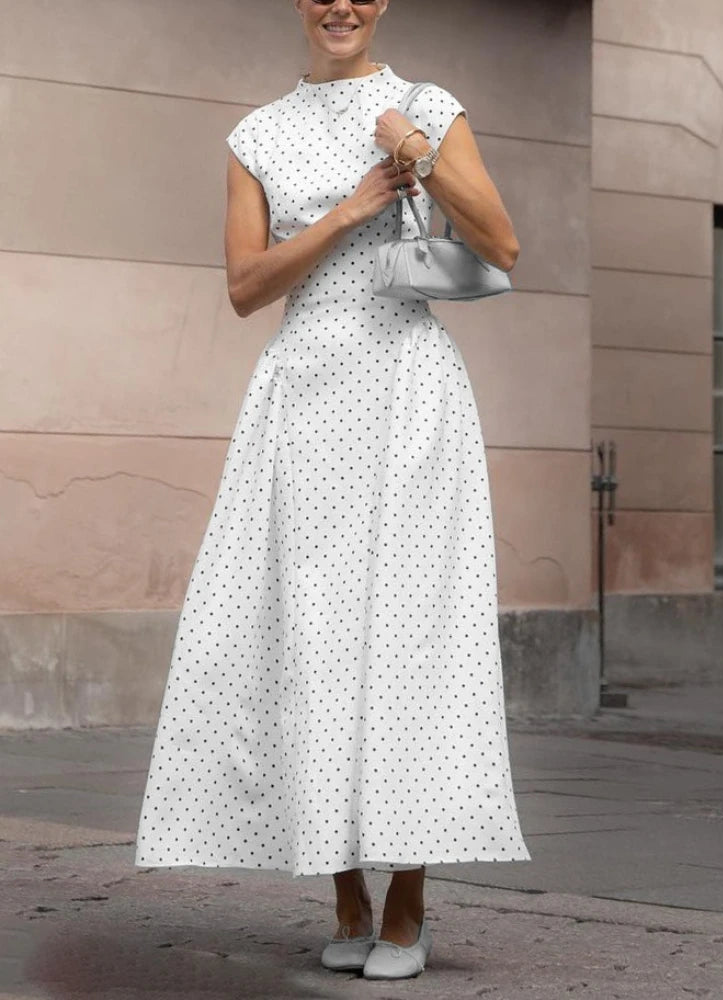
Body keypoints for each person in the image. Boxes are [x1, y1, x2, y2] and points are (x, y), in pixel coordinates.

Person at [134, 0, 530, 982]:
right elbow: (244, 285)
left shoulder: (426, 105)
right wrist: (354, 205)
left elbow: (503, 246)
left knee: (408, 640)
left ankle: (409, 902)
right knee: (310, 638)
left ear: (383, 1)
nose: (340, 6)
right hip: (304, 398)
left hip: (406, 395)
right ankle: (346, 888)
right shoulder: (256, 134)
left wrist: (418, 155)